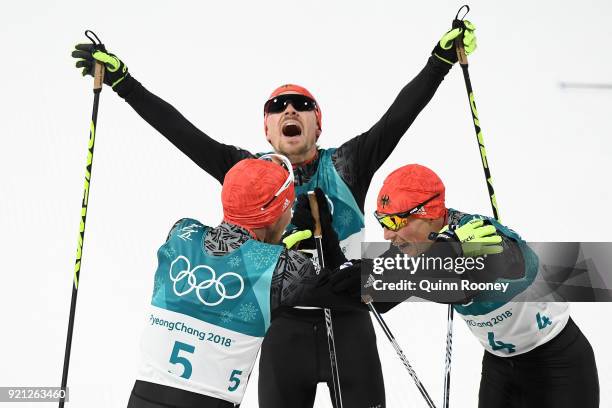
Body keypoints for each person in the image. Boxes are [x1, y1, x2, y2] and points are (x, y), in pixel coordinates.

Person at [72, 20, 477, 408]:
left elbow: (398, 117)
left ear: (318, 126)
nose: (290, 110)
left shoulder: (348, 163)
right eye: (277, 106)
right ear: (266, 130)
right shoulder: (246, 173)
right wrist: (124, 84)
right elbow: (182, 133)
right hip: (284, 329)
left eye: (302, 105)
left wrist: (439, 62)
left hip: (351, 317)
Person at [336, 164, 599, 407]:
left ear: (425, 215)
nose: (386, 234)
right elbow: (377, 297)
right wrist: (332, 258)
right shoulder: (413, 246)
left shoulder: (479, 233)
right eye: (382, 221)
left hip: (558, 362)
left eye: (394, 221)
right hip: (500, 367)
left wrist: (449, 251)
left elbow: (503, 267)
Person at [128, 155, 364, 408]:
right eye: (289, 208)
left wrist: (276, 247)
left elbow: (232, 253)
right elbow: (372, 292)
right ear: (275, 214)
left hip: (141, 399)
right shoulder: (283, 268)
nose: (290, 217)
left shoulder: (181, 233)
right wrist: (329, 239)